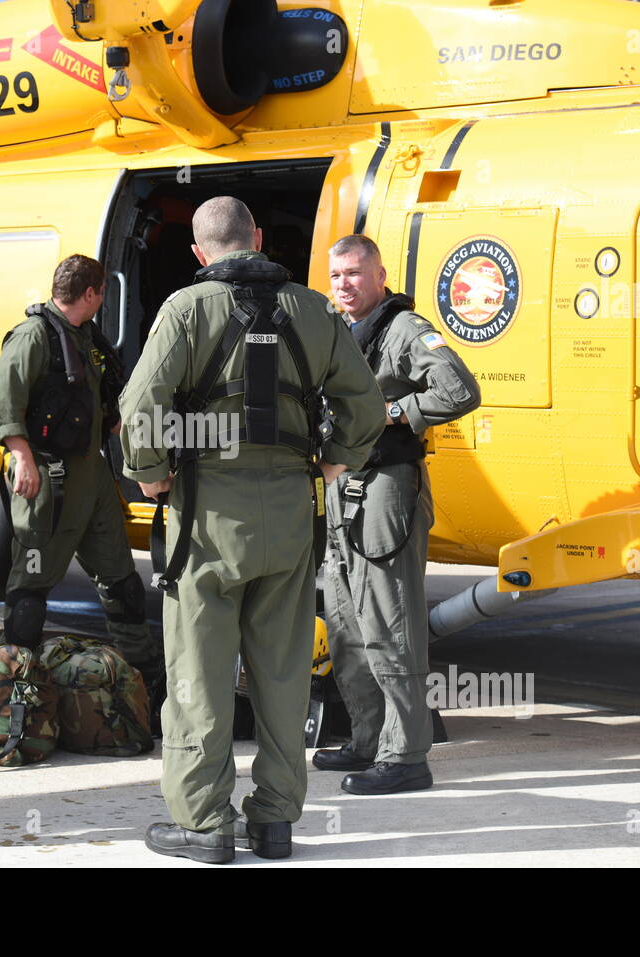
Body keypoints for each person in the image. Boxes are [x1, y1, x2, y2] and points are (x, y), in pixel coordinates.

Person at [120, 197, 383, 863]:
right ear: (258, 237)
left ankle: (205, 825)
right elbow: (366, 402)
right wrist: (334, 460)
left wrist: (150, 474)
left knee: (200, 675)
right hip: (292, 511)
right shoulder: (316, 309)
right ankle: (274, 821)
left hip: (207, 510)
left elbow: (141, 403)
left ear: (200, 253)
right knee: (285, 669)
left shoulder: (186, 308)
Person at [315, 234, 480, 794]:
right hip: (343, 486)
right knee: (345, 623)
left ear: (379, 276)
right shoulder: (335, 329)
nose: (345, 285)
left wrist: (396, 413)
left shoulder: (404, 329)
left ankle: (407, 755)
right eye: (337, 275)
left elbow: (460, 389)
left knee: (389, 620)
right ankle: (369, 741)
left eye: (356, 274)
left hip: (387, 486)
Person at [0, 254, 162, 690]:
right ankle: (13, 690)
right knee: (30, 587)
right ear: (91, 293)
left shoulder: (84, 338)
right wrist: (22, 458)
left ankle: (144, 680)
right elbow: (4, 403)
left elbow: (103, 404)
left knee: (122, 583)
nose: (102, 299)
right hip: (49, 478)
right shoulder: (33, 337)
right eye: (101, 292)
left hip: (92, 477)